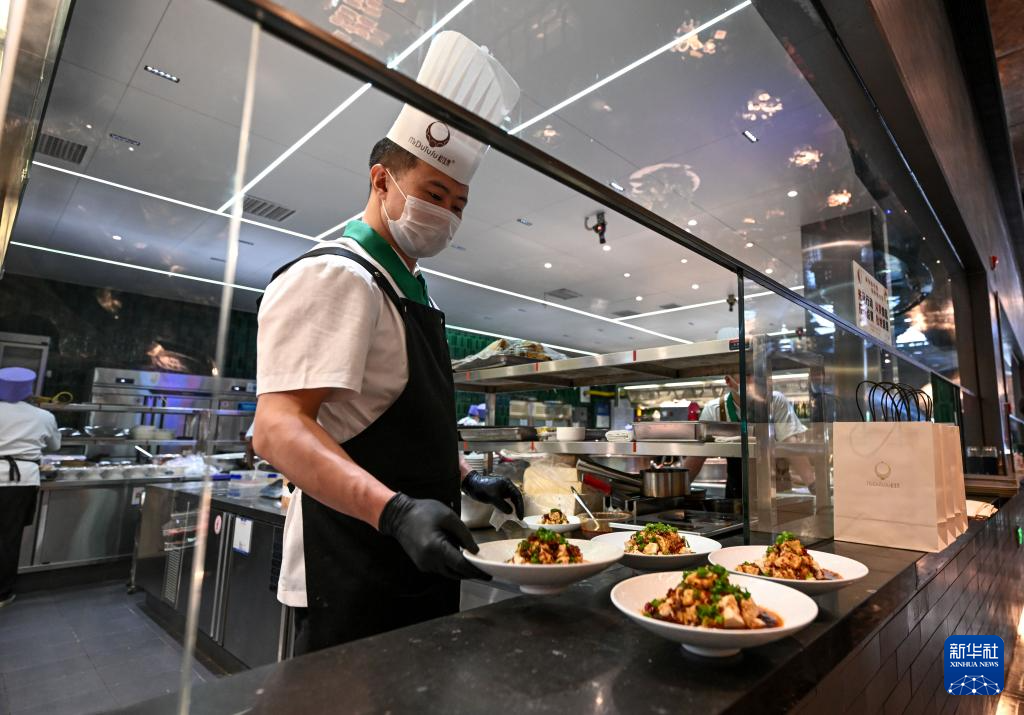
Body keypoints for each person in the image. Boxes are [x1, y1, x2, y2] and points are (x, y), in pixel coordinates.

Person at [254, 32, 524, 653]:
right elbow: (277, 429)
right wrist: (395, 512)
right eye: (434, 194)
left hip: (415, 561)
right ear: (382, 180)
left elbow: (391, 422)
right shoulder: (336, 275)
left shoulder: (410, 288)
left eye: (458, 204)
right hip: (350, 562)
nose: (447, 214)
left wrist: (464, 477)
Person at [683, 374, 810, 498]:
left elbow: (791, 444)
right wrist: (679, 489)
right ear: (729, 381)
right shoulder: (714, 410)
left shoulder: (775, 401)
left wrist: (812, 484)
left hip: (777, 493)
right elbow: (697, 456)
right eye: (747, 376)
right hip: (738, 497)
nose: (754, 379)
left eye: (756, 374)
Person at [0, 367, 60, 606]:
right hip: (21, 481)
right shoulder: (44, 416)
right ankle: (2, 593)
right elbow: (54, 446)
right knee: (8, 536)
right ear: (29, 390)